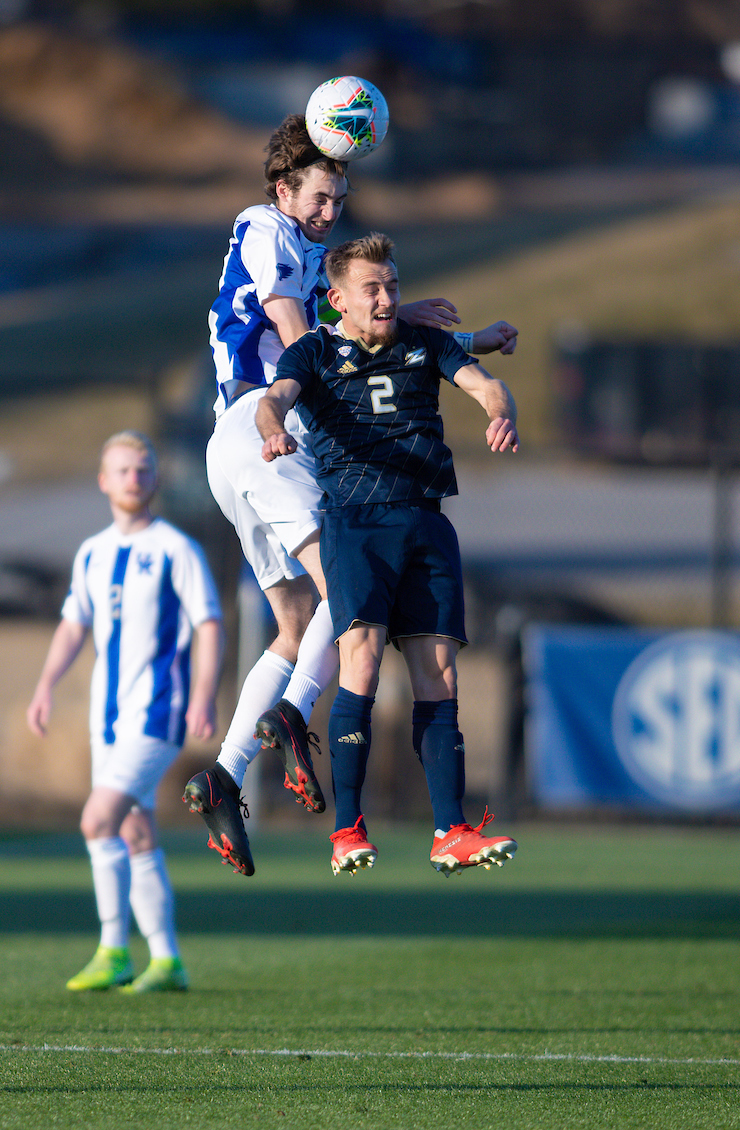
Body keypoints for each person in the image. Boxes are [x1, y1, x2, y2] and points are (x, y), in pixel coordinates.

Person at [184, 113, 518, 875]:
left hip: (237, 448)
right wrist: (403, 325)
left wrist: (438, 333)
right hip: (260, 431)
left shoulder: (303, 248)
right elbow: (308, 342)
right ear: (283, 188)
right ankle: (295, 718)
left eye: (341, 198)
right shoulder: (264, 225)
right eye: (322, 196)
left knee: (298, 621)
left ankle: (226, 776)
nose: (332, 212)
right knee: (354, 590)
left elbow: (353, 337)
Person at [253, 232, 519, 876]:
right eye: (372, 288)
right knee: (363, 666)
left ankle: (450, 830)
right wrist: (270, 433)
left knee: (440, 676)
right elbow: (274, 400)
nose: (386, 297)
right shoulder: (315, 349)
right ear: (337, 299)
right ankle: (347, 829)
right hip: (356, 525)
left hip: (426, 523)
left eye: (392, 286)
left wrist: (497, 409)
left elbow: (484, 383)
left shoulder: (424, 343)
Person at [26, 431, 224, 991]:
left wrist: (204, 694)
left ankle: (113, 949)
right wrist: (45, 684)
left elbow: (208, 622)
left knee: (97, 820)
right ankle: (167, 961)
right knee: (135, 833)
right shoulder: (92, 551)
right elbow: (73, 623)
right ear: (103, 481)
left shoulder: (174, 549)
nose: (133, 479)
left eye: (143, 469)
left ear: (154, 478)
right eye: (123, 470)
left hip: (155, 713)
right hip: (104, 719)